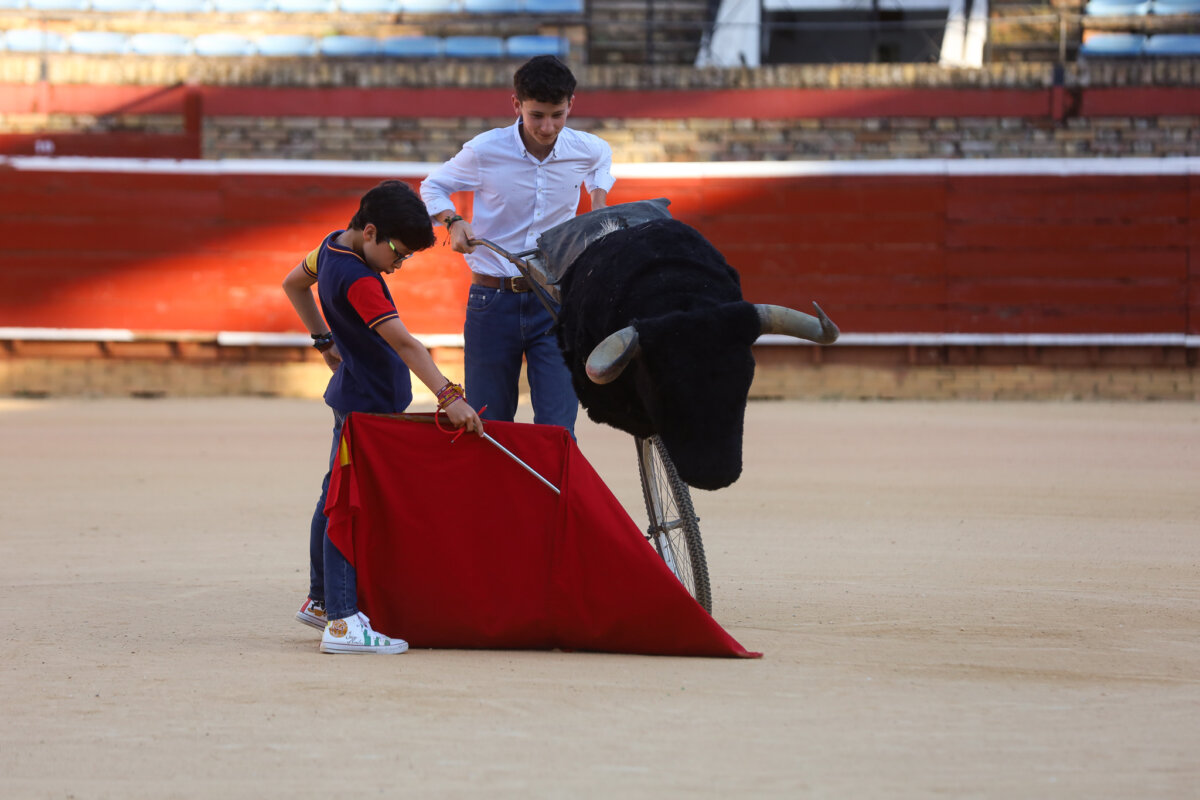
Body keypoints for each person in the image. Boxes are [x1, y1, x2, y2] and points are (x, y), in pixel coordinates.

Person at [282, 179, 483, 655]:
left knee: (335, 494)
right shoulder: (362, 281)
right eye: (397, 252)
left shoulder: (331, 246)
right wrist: (449, 395)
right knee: (349, 505)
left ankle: (321, 600)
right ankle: (342, 621)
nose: (398, 264)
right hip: (367, 405)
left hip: (355, 396)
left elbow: (293, 283)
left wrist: (323, 340)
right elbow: (406, 344)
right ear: (370, 231)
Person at [420, 55, 615, 439]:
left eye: (557, 115)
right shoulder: (484, 150)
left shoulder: (588, 148)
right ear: (517, 105)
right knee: (488, 428)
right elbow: (433, 186)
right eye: (537, 114)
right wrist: (452, 220)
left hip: (555, 301)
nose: (547, 127)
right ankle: (496, 502)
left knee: (559, 430)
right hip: (491, 302)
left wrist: (599, 204)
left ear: (571, 105)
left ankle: (550, 502)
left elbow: (600, 168)